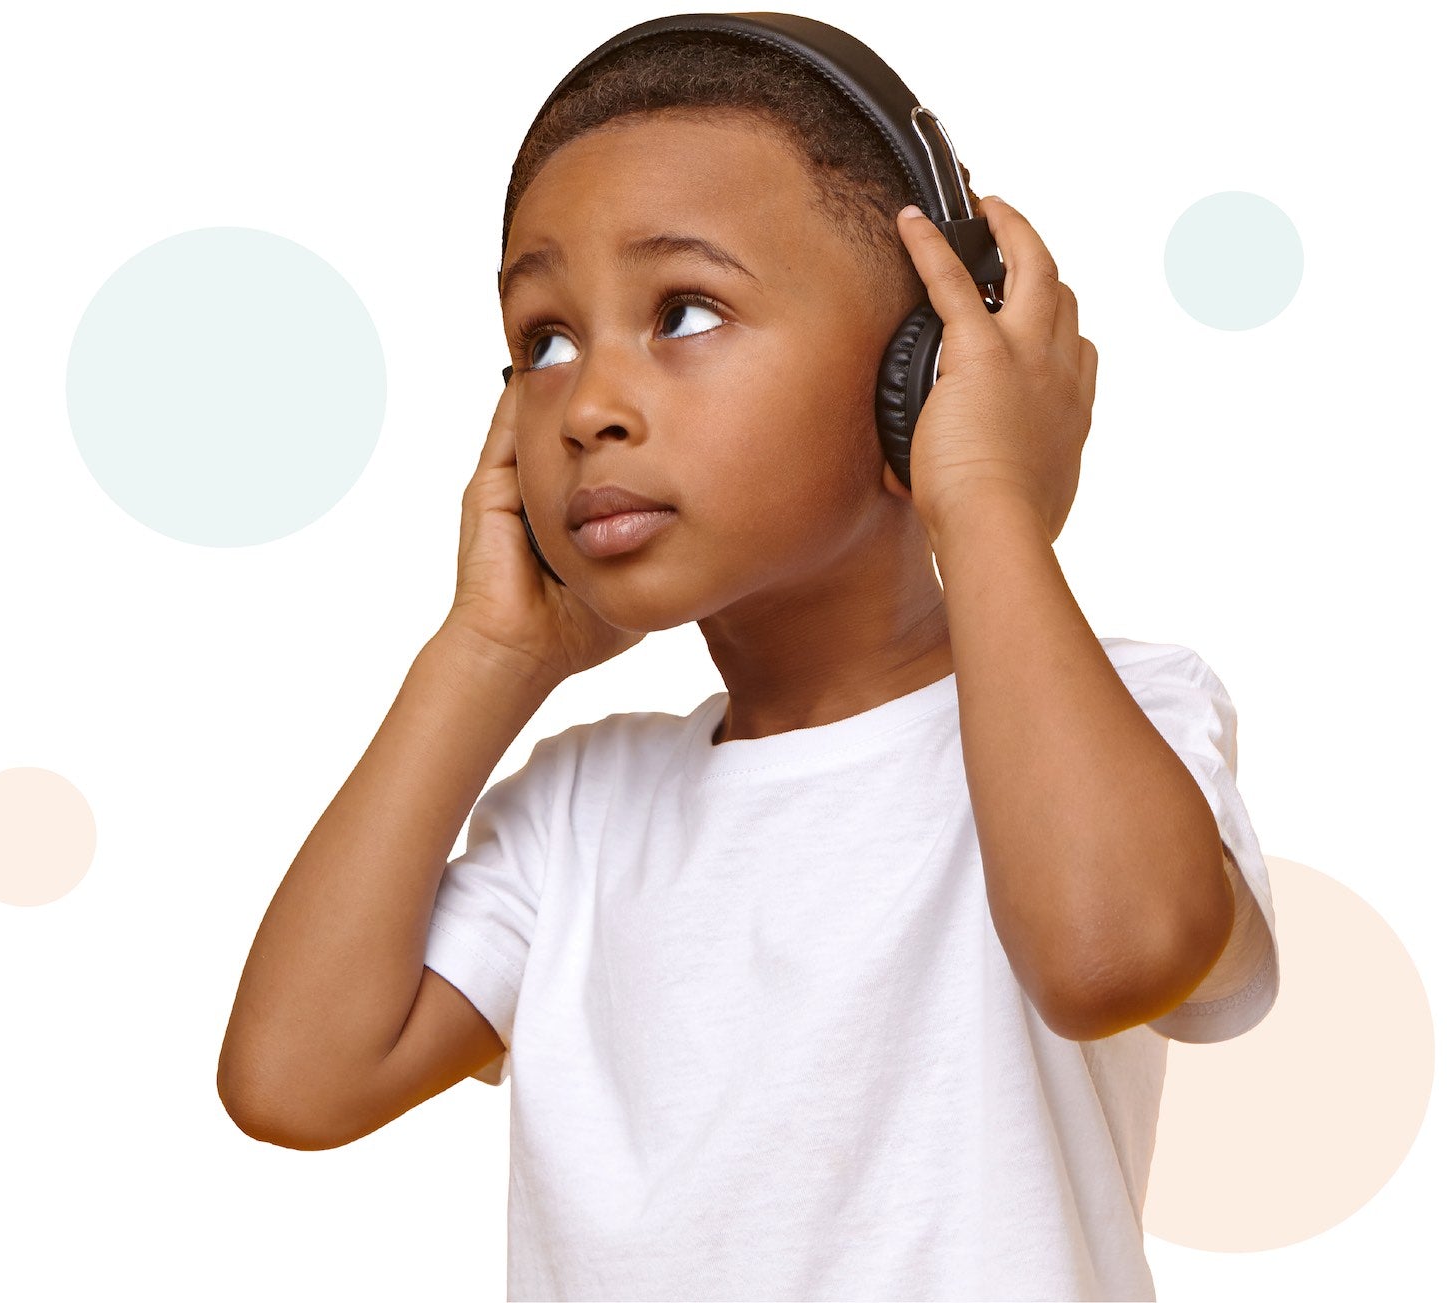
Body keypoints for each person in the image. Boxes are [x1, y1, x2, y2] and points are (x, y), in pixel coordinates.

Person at [218, 22, 1280, 1302]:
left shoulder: (1115, 713)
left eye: (682, 311)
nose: (590, 402)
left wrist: (985, 495)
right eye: (543, 340)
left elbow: (1112, 954)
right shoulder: (576, 815)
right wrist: (488, 651)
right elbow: (292, 1080)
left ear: (922, 365)